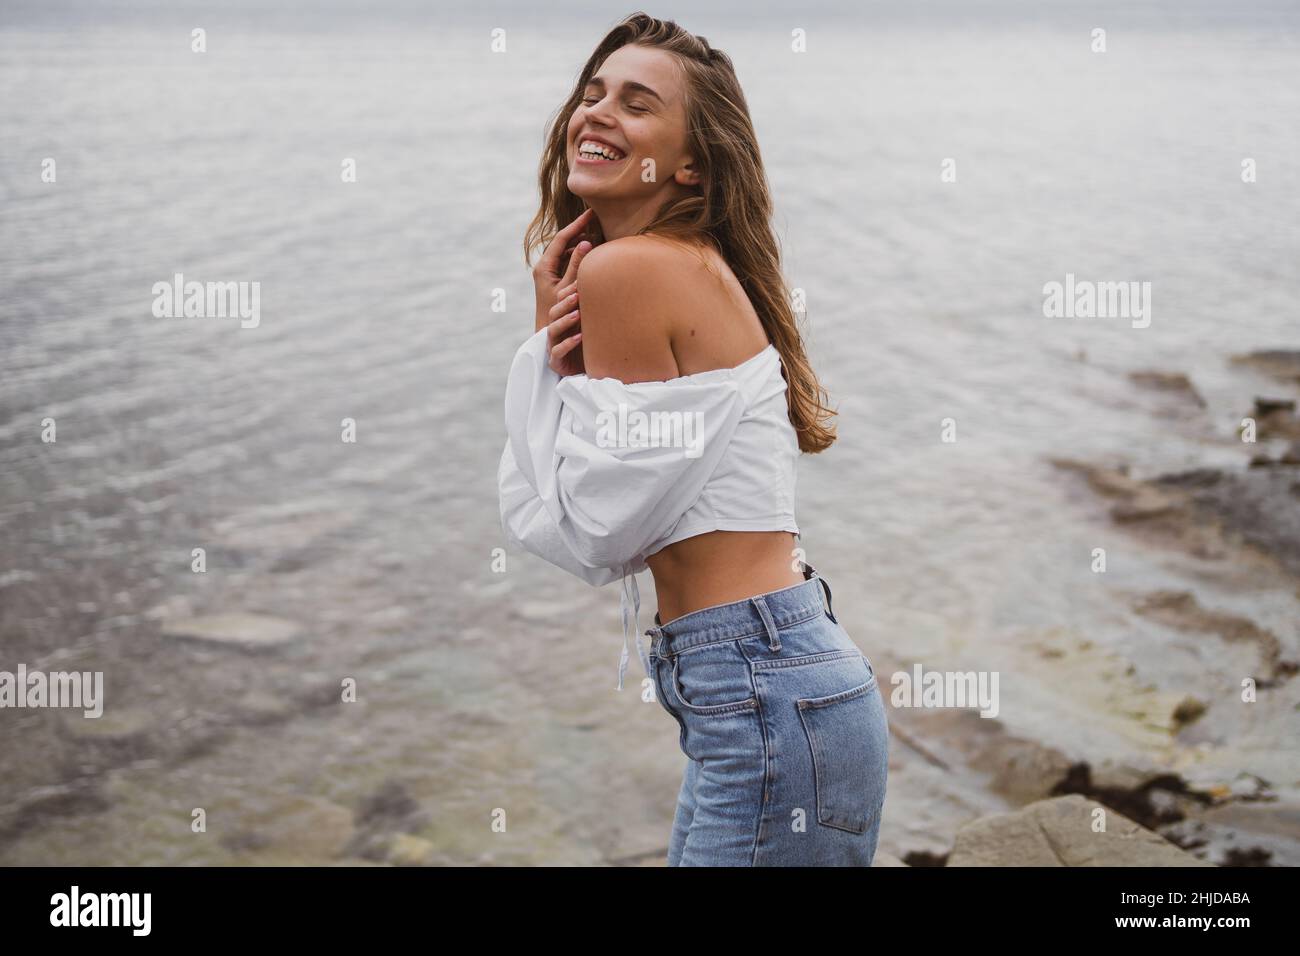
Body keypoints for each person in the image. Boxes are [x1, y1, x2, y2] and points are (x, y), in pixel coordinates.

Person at [498, 12, 888, 866]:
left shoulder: (629, 269)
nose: (598, 113)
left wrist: (541, 342)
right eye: (593, 93)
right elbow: (612, 508)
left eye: (637, 104)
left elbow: (595, 530)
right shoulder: (683, 262)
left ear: (692, 163)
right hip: (776, 687)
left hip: (762, 691)